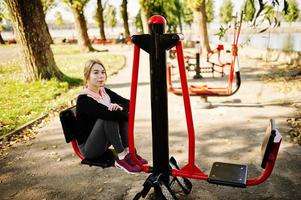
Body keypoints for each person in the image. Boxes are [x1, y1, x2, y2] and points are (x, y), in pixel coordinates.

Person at [76, 59, 147, 174]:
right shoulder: (84, 100)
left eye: (103, 72)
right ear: (87, 76)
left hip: (103, 140)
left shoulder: (104, 92)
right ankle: (122, 158)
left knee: (116, 113)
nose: (101, 76)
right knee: (108, 118)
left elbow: (129, 103)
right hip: (89, 148)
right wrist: (120, 110)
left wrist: (119, 106)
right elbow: (108, 115)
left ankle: (129, 153)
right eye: (95, 72)